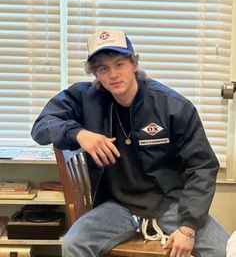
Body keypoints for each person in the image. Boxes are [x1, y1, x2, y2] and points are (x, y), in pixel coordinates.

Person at [31, 28, 229, 257]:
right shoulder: (84, 98)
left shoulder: (173, 106)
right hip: (117, 206)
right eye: (103, 68)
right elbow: (41, 126)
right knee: (73, 243)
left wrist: (188, 227)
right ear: (95, 74)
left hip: (171, 204)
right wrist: (79, 134)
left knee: (224, 250)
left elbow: (202, 166)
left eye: (119, 64)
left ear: (134, 64)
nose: (113, 74)